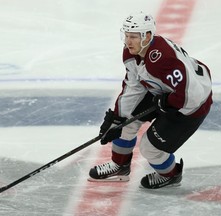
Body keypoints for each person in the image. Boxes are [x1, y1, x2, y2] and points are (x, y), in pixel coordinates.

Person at [88, 12, 213, 189]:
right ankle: (120, 167)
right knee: (124, 123)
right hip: (164, 91)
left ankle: (170, 175)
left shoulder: (163, 58)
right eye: (126, 35)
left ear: (147, 36)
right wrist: (117, 118)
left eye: (133, 37)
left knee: (150, 148)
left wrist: (168, 102)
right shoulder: (132, 53)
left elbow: (193, 95)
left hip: (191, 106)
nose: (128, 41)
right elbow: (133, 87)